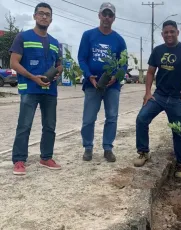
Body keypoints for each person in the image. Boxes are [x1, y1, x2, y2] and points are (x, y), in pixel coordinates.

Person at [133, 20, 181, 178]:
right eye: (166, 32)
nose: (169, 34)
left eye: (172, 31)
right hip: (159, 95)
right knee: (141, 119)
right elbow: (151, 72)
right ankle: (143, 153)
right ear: (162, 34)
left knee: (177, 132)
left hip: (178, 98)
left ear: (178, 32)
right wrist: (147, 92)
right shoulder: (158, 51)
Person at [9, 2, 63, 175]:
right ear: (34, 16)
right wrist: (33, 77)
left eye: (47, 14)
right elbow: (13, 63)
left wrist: (57, 73)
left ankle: (46, 157)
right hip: (30, 89)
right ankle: (19, 160)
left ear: (51, 19)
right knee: (24, 125)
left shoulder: (55, 42)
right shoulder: (23, 37)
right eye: (41, 13)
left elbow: (59, 64)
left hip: (50, 90)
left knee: (50, 126)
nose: (44, 16)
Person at [78, 2, 127, 162]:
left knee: (112, 117)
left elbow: (123, 62)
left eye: (110, 15)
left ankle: (107, 148)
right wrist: (89, 75)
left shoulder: (119, 40)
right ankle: (88, 148)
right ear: (99, 15)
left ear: (114, 18)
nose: (107, 17)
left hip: (112, 86)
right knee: (88, 119)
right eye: (104, 14)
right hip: (92, 84)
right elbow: (82, 58)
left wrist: (117, 77)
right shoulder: (88, 35)